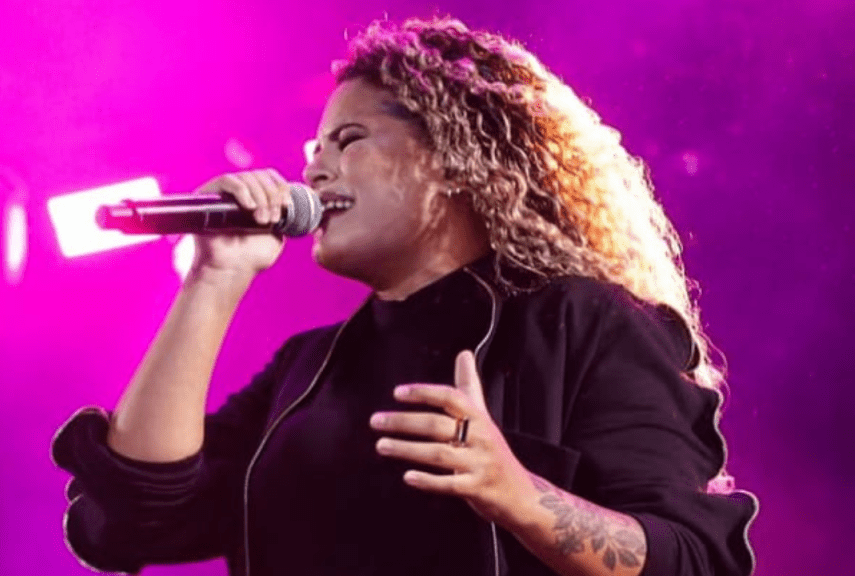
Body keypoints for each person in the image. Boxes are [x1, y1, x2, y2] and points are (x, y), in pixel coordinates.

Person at [51, 16, 757, 576]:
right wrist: (213, 278)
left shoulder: (585, 323)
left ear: (452, 158)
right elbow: (133, 517)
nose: (313, 170)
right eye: (313, 151)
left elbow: (693, 559)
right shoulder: (307, 370)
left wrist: (519, 495)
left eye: (347, 140)